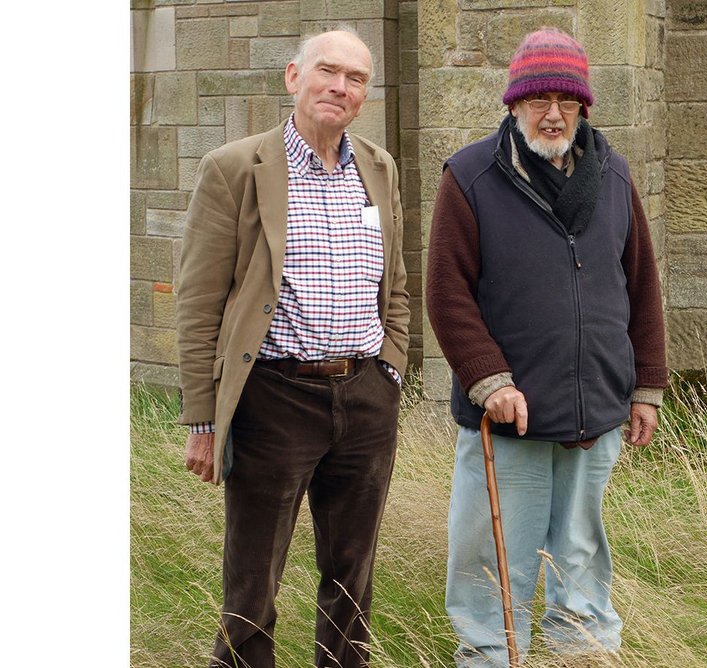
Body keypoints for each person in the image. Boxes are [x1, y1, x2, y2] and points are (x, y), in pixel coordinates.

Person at [426, 27, 668, 666]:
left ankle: (580, 654)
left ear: (584, 104)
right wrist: (490, 381)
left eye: (566, 98)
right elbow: (447, 295)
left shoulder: (613, 174)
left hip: (597, 410)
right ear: (513, 104)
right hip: (510, 416)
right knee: (490, 559)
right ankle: (489, 657)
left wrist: (644, 387)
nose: (553, 113)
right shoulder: (471, 176)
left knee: (581, 552)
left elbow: (640, 286)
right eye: (538, 99)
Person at [175, 28, 409, 668]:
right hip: (273, 399)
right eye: (327, 72)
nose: (340, 87)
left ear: (365, 93)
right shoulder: (234, 169)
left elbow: (396, 283)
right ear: (293, 77)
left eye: (355, 78)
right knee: (254, 578)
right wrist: (203, 420)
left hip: (364, 397)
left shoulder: (379, 167)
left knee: (352, 574)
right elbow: (198, 304)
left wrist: (390, 368)